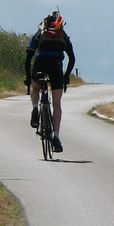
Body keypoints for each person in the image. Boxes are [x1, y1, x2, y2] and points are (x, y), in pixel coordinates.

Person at [24, 11, 75, 153]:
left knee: (35, 88)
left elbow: (28, 58)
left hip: (40, 64)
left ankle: (35, 108)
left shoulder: (40, 33)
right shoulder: (62, 35)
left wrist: (29, 77)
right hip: (56, 67)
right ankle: (56, 137)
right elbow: (72, 58)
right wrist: (66, 76)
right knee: (57, 103)